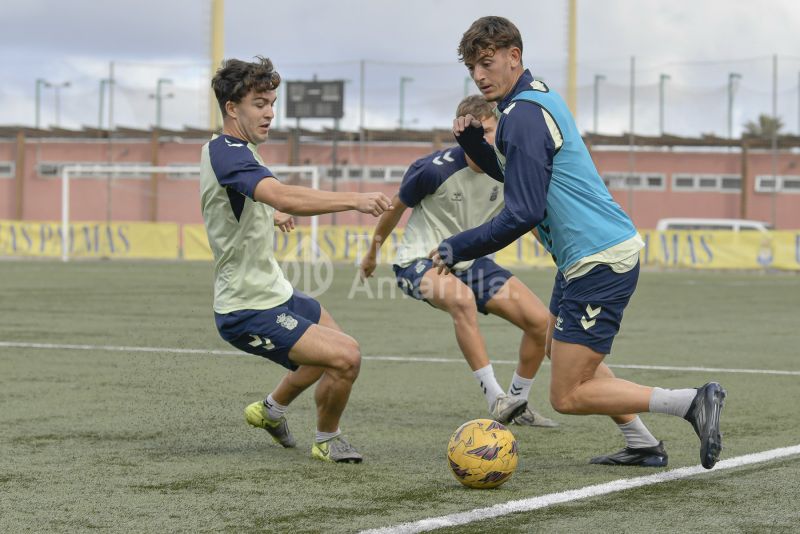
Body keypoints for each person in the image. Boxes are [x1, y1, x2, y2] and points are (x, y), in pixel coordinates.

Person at [432, 16, 726, 469]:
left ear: (515, 56)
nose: (479, 75)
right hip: (584, 257)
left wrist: (458, 246)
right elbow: (526, 179)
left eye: (487, 62)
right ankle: (642, 443)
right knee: (559, 347)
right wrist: (478, 145)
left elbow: (523, 211)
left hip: (599, 259)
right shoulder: (530, 101)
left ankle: (690, 402)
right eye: (472, 67)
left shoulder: (523, 116)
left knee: (568, 394)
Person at [200, 56, 393, 463]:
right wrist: (353, 200)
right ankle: (327, 440)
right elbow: (281, 192)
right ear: (232, 108)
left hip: (274, 291)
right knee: (346, 356)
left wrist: (269, 212)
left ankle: (270, 411)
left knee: (335, 350)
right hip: (245, 307)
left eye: (272, 102)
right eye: (259, 103)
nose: (270, 112)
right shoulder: (229, 152)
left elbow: (239, 199)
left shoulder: (234, 152)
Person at [360, 95, 558, 428]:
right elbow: (395, 208)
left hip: (472, 263)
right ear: (465, 133)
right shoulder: (431, 169)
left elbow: (530, 217)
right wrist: (372, 252)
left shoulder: (509, 170)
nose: (494, 138)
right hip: (420, 262)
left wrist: (559, 251)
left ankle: (518, 404)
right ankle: (496, 398)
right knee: (461, 300)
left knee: (541, 323)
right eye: (487, 131)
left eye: (496, 129)